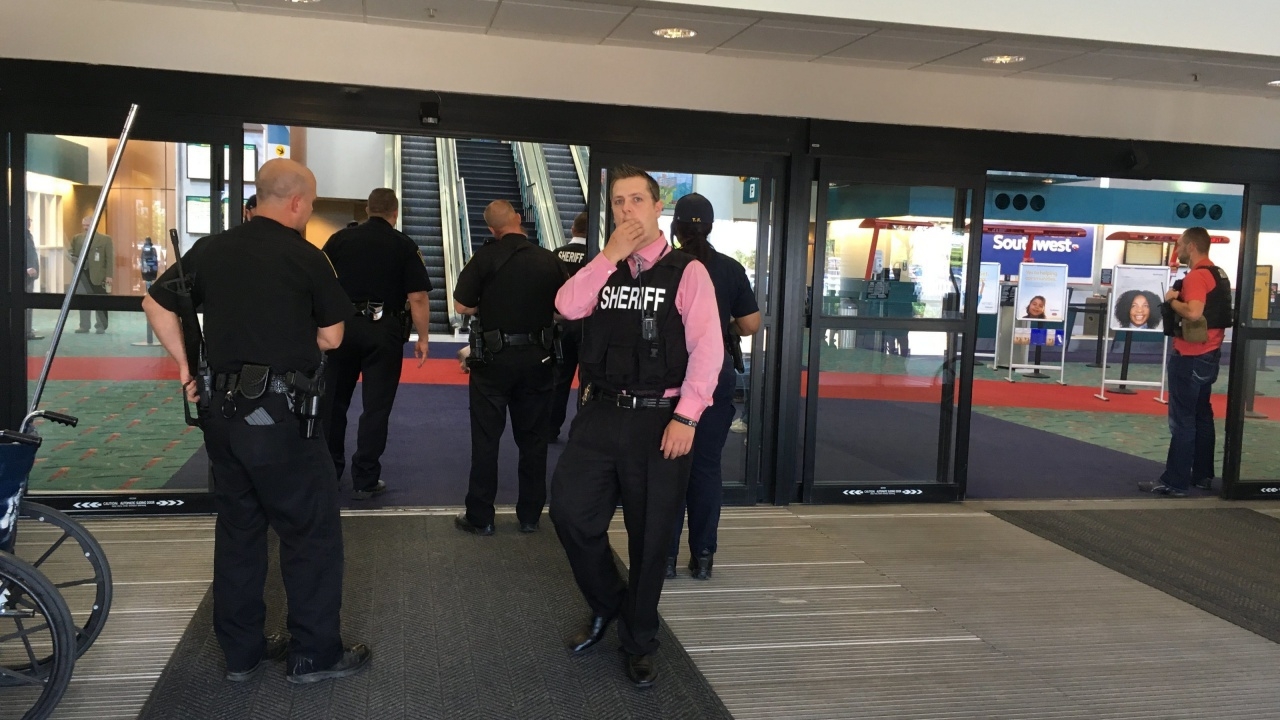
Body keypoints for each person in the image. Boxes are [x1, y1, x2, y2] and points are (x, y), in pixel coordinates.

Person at [142, 158, 370, 684]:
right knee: (309, 532)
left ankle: (241, 654)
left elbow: (155, 304)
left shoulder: (212, 249)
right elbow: (333, 337)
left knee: (239, 531)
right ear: (296, 202)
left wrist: (186, 366)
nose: (309, 210)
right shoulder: (307, 257)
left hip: (222, 416)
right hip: (283, 418)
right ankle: (313, 654)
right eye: (311, 203)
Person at [550, 166, 720, 689]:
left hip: (660, 419)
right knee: (571, 513)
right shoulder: (603, 269)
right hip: (600, 414)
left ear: (657, 207)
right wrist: (608, 256)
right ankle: (610, 603)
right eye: (619, 202)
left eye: (637, 200)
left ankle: (639, 639)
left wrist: (687, 416)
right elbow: (566, 306)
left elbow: (708, 350)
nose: (627, 210)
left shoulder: (687, 272)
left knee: (650, 538)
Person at [453, 200, 567, 536]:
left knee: (486, 440)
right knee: (534, 441)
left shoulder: (484, 257)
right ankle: (530, 515)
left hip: (493, 360)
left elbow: (461, 305)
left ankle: (481, 516)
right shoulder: (549, 260)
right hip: (538, 360)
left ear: (491, 228)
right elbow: (564, 309)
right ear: (518, 219)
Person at [664, 193, 760, 582]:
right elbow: (751, 324)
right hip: (715, 378)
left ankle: (665, 558)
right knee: (705, 468)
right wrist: (725, 328)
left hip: (671, 379)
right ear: (711, 227)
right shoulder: (730, 269)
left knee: (669, 469)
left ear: (675, 228)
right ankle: (703, 557)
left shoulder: (666, 266)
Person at [322, 188, 433, 500]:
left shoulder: (339, 240)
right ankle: (365, 478)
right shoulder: (404, 245)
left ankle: (329, 473)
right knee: (376, 407)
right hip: (384, 331)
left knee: (333, 404)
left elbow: (320, 284)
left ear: (367, 209)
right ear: (395, 213)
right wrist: (423, 338)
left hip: (341, 329)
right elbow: (418, 297)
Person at [1140, 227, 1231, 497]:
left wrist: (1171, 301)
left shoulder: (1197, 277)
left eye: (1179, 245)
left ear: (1191, 246)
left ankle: (1174, 482)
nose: (1177, 250)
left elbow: (1193, 313)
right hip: (1209, 355)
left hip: (1190, 357)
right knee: (1202, 416)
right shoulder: (1218, 274)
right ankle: (1202, 475)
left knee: (1182, 421)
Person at [549, 211, 590, 441]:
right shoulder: (596, 255)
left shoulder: (556, 254)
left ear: (573, 229)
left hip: (562, 323)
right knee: (587, 380)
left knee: (558, 378)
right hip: (587, 326)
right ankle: (582, 431)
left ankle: (550, 428)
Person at [68, 215, 113, 334]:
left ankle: (101, 326)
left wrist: (109, 276)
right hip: (82, 275)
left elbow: (109, 259)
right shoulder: (77, 238)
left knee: (100, 301)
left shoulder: (105, 239)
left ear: (94, 224)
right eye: (84, 225)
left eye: (88, 225)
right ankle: (84, 326)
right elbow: (70, 253)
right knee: (83, 301)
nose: (85, 228)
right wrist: (75, 259)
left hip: (99, 275)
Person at [24, 216, 41, 340]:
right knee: (26, 304)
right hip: (24, 275)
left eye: (30, 220)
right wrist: (25, 269)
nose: (29, 223)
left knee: (28, 304)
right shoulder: (16, 235)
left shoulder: (28, 235)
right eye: (27, 220)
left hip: (30, 275)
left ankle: (27, 329)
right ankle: (26, 332)